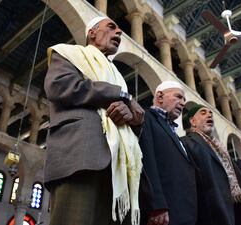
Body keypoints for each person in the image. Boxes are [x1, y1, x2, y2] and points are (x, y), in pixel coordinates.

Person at [44, 16, 145, 225]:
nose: (119, 32)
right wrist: (122, 96)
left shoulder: (117, 76)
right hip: (81, 158)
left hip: (120, 169)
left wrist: (132, 118)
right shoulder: (67, 53)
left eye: (119, 30)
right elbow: (61, 87)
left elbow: (127, 119)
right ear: (92, 33)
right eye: (111, 27)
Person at [181, 103, 241, 225]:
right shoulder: (187, 143)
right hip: (214, 213)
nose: (209, 115)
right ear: (193, 121)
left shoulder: (221, 148)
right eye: (203, 112)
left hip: (237, 209)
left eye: (210, 113)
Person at [138, 81, 197, 225]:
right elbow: (147, 162)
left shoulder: (174, 132)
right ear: (159, 97)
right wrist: (156, 205)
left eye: (184, 99)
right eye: (178, 97)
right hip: (164, 214)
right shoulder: (147, 117)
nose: (183, 103)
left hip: (184, 212)